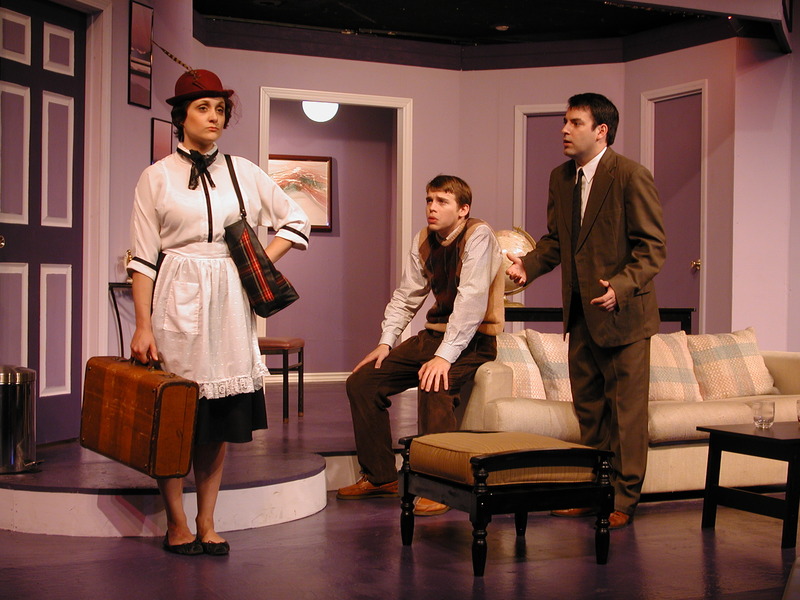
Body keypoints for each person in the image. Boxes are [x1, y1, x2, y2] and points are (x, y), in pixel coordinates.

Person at [128, 68, 310, 555]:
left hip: (230, 300)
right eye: (203, 108)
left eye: (221, 109)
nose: (214, 117)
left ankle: (207, 521)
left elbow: (296, 219)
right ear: (180, 116)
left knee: (217, 420)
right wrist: (142, 326)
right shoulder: (156, 177)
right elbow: (143, 258)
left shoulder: (243, 171)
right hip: (176, 293)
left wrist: (255, 263)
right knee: (176, 414)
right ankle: (176, 522)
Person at [507, 93, 666, 529]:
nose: (564, 129)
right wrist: (528, 266)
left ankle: (623, 500)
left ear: (601, 131)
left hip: (624, 317)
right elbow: (558, 241)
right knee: (590, 411)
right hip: (580, 317)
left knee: (626, 414)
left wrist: (621, 286)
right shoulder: (561, 178)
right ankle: (592, 492)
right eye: (565, 121)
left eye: (575, 122)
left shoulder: (630, 175)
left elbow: (652, 249)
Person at [337, 175, 505, 516]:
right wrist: (386, 342)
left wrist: (444, 357)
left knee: (434, 382)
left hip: (474, 339)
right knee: (363, 382)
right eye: (429, 200)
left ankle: (441, 485)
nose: (432, 207)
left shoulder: (478, 235)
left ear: (463, 209)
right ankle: (381, 476)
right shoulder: (424, 240)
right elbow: (407, 295)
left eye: (442, 201)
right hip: (433, 336)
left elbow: (471, 302)